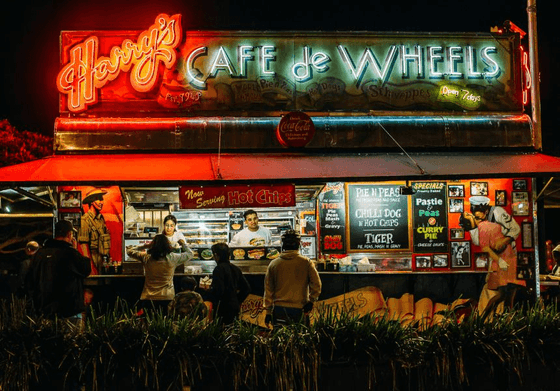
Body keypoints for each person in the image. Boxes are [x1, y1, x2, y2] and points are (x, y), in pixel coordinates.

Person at [26, 220, 92, 322]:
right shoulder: (70, 253)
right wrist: (75, 249)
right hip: (70, 311)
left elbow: (29, 281)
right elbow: (86, 270)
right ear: (70, 235)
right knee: (72, 337)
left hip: (45, 311)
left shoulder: (39, 255)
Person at [264, 229, 322, 327]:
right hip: (300, 308)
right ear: (299, 244)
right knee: (301, 340)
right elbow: (317, 285)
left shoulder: (274, 264)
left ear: (282, 244)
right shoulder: (306, 262)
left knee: (280, 340)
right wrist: (311, 301)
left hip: (279, 309)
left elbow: (268, 290)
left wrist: (268, 312)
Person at [127, 234, 195, 314]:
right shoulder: (173, 258)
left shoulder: (146, 258)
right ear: (167, 245)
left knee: (148, 323)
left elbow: (129, 251)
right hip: (167, 297)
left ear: (152, 245)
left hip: (148, 297)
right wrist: (183, 244)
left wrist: (145, 246)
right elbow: (190, 254)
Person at [202, 242, 250, 325]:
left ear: (216, 255)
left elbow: (219, 290)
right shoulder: (235, 268)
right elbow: (247, 288)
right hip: (234, 306)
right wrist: (236, 299)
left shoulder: (218, 269)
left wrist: (208, 291)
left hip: (222, 308)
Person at [78, 188, 111, 274]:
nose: (102, 202)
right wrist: (91, 268)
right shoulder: (84, 220)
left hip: (103, 261)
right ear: (92, 201)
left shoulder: (100, 219)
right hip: (93, 259)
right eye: (99, 199)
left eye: (102, 199)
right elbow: (84, 247)